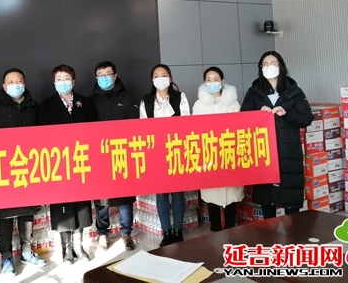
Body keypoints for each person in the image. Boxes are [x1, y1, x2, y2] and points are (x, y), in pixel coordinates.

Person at [0, 68, 46, 274]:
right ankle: (6, 257)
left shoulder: (34, 107)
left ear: (25, 83)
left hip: (28, 166)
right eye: (11, 82)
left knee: (27, 211)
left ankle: (27, 252)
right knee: (5, 215)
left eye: (19, 81)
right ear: (4, 86)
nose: (15, 85)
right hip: (3, 168)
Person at [240, 51, 313, 220]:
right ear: (260, 68)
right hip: (264, 150)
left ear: (281, 66)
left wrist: (287, 113)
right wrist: (258, 114)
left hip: (289, 150)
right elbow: (243, 118)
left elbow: (306, 118)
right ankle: (269, 230)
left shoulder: (293, 91)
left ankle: (294, 232)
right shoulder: (254, 92)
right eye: (265, 64)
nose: (269, 67)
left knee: (290, 198)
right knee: (267, 197)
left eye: (273, 63)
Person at [39, 64, 94, 264]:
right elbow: (42, 133)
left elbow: (93, 128)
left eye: (66, 78)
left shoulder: (83, 102)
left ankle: (79, 246)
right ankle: (66, 249)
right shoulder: (47, 104)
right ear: (54, 82)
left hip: (80, 160)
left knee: (81, 204)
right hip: (58, 161)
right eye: (59, 79)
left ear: (73, 81)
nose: (63, 82)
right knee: (63, 205)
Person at [89, 61, 139, 251]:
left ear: (115, 76)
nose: (104, 78)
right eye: (100, 75)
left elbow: (134, 124)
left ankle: (126, 233)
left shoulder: (128, 97)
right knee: (101, 197)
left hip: (122, 153)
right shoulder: (90, 101)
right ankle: (102, 234)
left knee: (125, 196)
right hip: (99, 155)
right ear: (96, 77)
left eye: (108, 74)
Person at [139, 64, 190, 247]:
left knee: (177, 192)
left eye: (164, 75)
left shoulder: (179, 97)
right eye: (156, 75)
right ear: (152, 79)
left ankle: (178, 230)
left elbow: (187, 123)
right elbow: (143, 128)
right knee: (161, 194)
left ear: (170, 78)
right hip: (156, 152)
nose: (160, 78)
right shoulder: (146, 101)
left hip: (176, 150)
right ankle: (166, 231)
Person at [192, 66, 243, 232]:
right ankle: (215, 228)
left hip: (229, 152)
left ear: (222, 81)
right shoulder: (199, 105)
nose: (212, 83)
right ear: (204, 82)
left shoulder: (233, 102)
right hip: (208, 153)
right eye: (208, 80)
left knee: (231, 193)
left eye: (215, 79)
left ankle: (231, 228)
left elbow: (239, 127)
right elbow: (195, 130)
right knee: (211, 192)